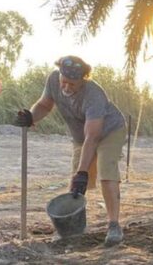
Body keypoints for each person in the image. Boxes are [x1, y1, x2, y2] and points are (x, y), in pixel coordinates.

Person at [13, 56, 127, 246]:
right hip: (82, 136)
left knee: (106, 169)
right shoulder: (53, 79)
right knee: (76, 183)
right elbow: (44, 105)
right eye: (64, 81)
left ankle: (114, 225)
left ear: (83, 80)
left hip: (109, 131)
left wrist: (83, 172)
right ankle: (71, 228)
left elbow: (93, 137)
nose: (66, 87)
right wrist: (31, 117)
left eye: (72, 84)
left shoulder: (94, 95)